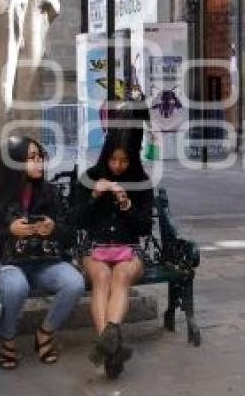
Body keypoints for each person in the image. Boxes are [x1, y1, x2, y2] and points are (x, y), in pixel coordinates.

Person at [0, 136, 84, 370]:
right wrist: (9, 231)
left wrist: (53, 228)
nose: (38, 163)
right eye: (31, 158)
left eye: (40, 157)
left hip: (44, 261)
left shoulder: (50, 193)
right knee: (16, 286)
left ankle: (45, 333)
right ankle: (7, 337)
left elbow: (70, 235)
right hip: (8, 262)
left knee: (74, 282)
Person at [76, 131, 153, 378]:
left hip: (128, 247)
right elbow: (76, 220)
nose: (118, 166)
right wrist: (94, 196)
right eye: (113, 160)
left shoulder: (141, 181)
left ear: (132, 160)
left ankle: (107, 349)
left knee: (120, 275)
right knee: (102, 277)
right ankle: (111, 348)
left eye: (124, 161)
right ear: (105, 157)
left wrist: (126, 204)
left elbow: (144, 228)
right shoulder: (89, 178)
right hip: (94, 247)